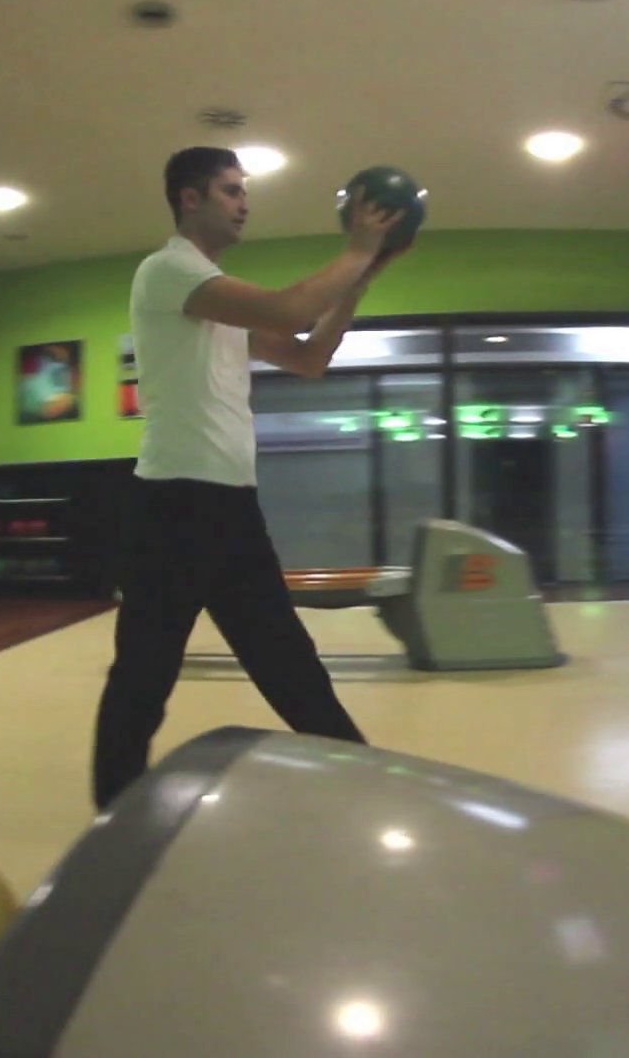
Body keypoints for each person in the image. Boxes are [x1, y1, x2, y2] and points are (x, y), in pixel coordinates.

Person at [92, 146, 408, 809]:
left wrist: (355, 286)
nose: (244, 202)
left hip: (230, 509)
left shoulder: (217, 302)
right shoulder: (168, 271)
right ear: (190, 199)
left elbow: (310, 355)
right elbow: (289, 309)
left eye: (243, 191)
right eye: (231, 190)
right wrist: (356, 249)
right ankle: (114, 808)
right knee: (145, 675)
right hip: (172, 505)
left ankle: (360, 778)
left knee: (287, 660)